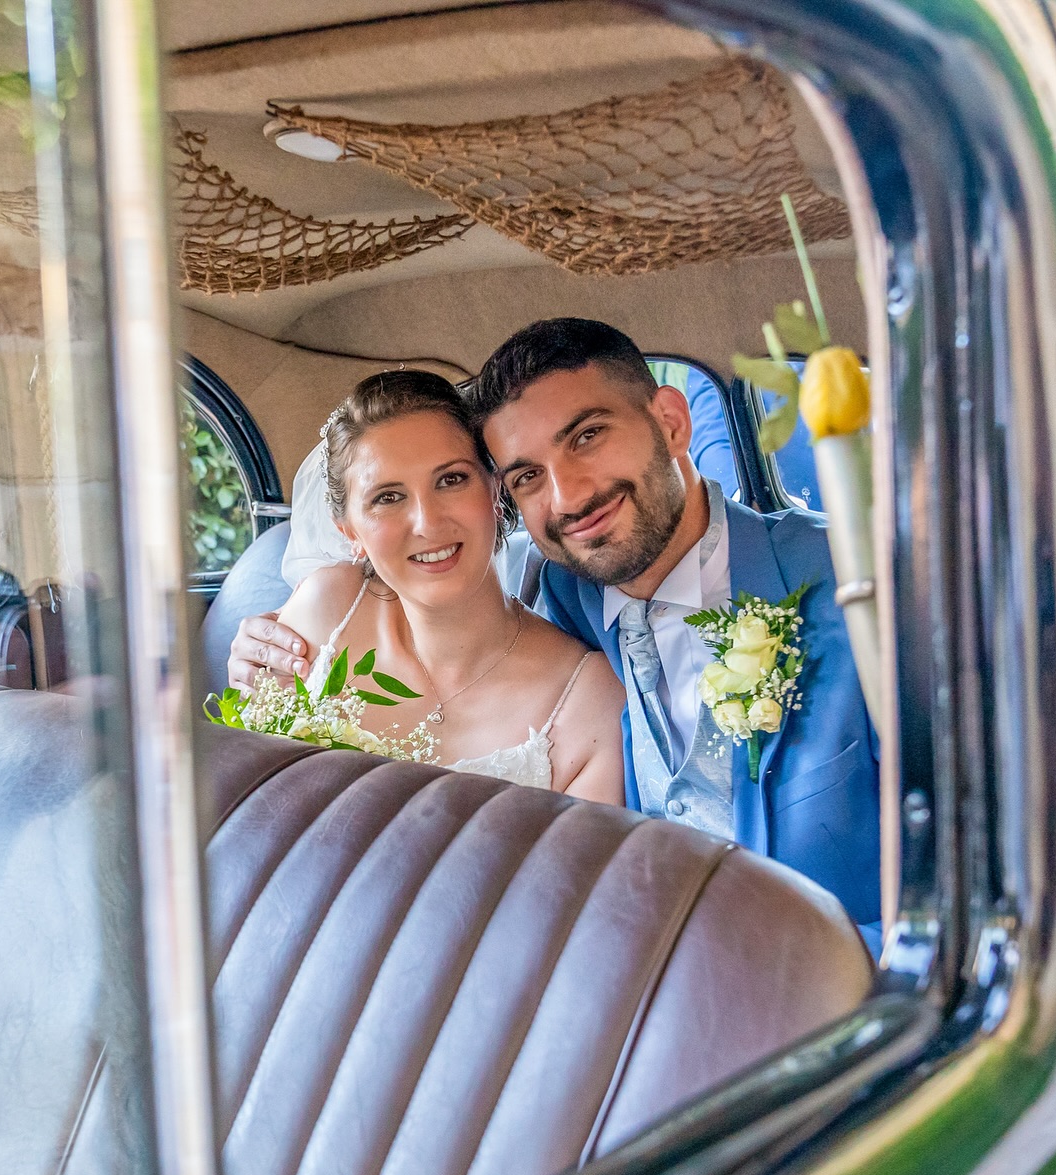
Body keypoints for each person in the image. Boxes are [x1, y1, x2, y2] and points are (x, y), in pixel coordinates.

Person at [231, 321, 880, 940]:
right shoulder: (565, 590)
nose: (567, 496)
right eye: (529, 476)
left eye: (587, 437)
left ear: (673, 423)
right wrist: (253, 658)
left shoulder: (864, 589)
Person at [265, 369, 625, 802]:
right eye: (388, 497)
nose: (428, 523)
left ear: (495, 488)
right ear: (349, 533)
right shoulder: (325, 613)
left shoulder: (589, 703)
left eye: (451, 480)